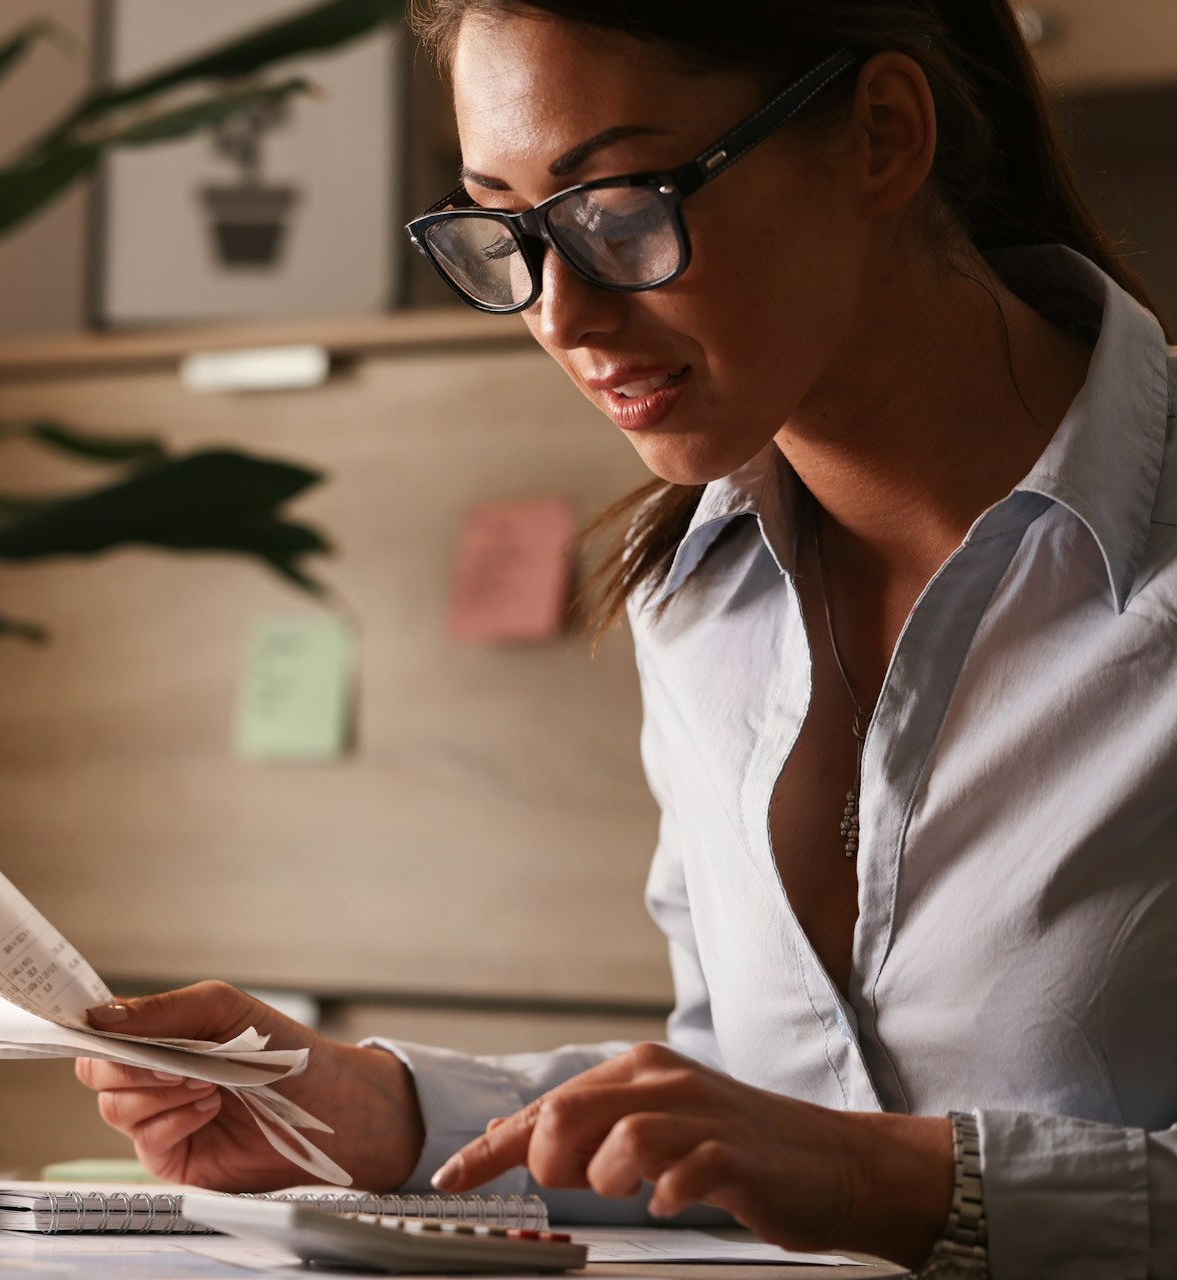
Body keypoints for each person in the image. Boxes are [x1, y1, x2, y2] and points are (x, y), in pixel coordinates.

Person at [76, 2, 1177, 1276]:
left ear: (880, 134)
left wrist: (867, 1174)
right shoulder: (697, 591)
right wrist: (385, 1112)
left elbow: (820, 1160)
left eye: (616, 208)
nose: (559, 313)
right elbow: (740, 1114)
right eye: (509, 230)